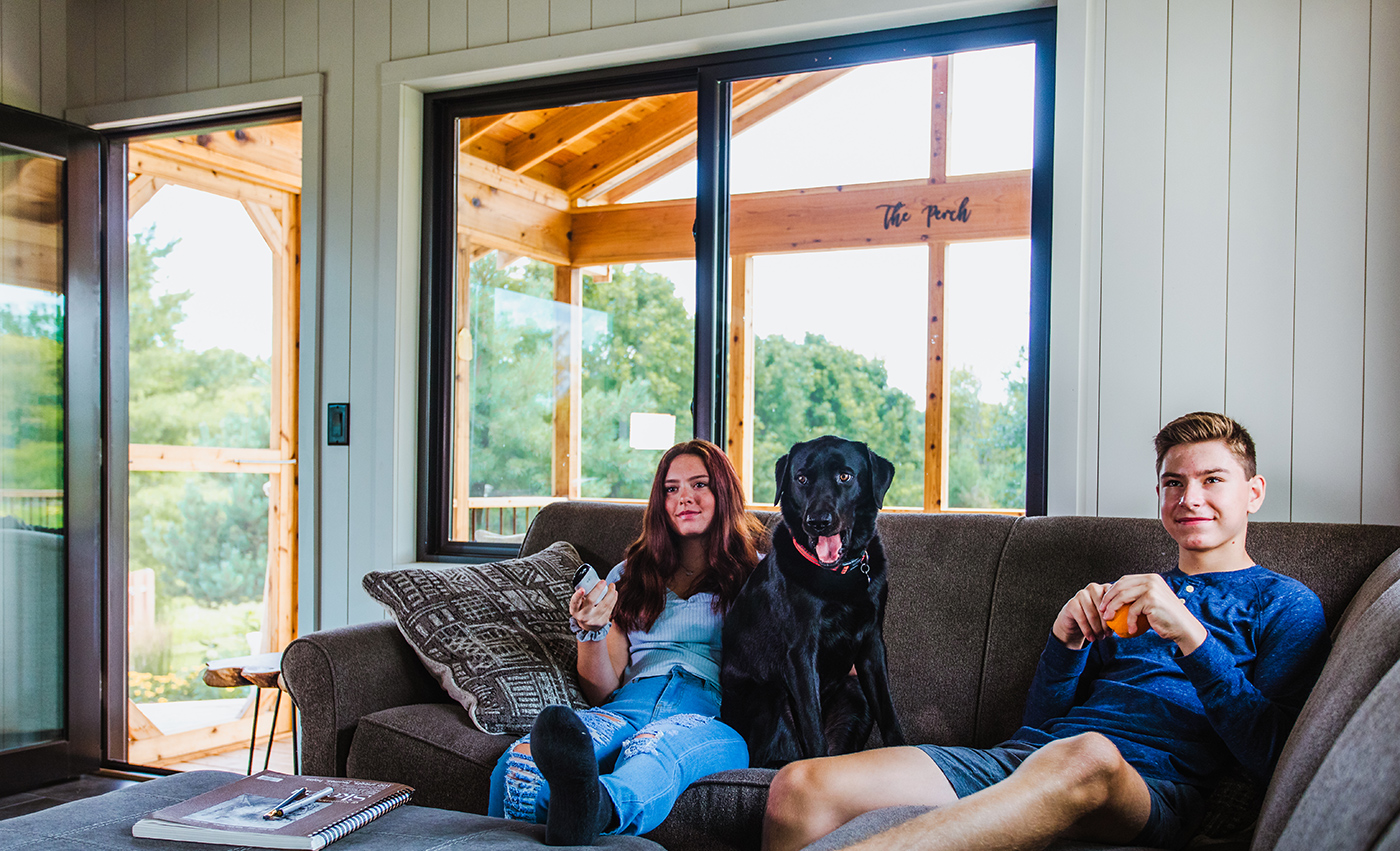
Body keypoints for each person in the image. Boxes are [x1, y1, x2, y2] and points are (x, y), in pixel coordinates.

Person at [763, 411, 1330, 851]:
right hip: (1032, 758)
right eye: (1173, 483)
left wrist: (1192, 638)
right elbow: (1039, 728)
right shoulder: (1126, 595)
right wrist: (1065, 645)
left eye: (1212, 480)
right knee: (800, 787)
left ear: (1252, 492)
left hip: (1151, 789)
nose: (1190, 498)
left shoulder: (1285, 604)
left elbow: (1274, 753)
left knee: (1087, 754)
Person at [488, 439, 766, 846]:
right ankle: (570, 811)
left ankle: (597, 806)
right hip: (627, 705)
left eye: (699, 484)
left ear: (723, 492)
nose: (683, 497)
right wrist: (591, 632)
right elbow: (602, 687)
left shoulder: (758, 575)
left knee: (653, 753)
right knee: (519, 768)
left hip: (709, 715)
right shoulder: (630, 574)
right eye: (671, 489)